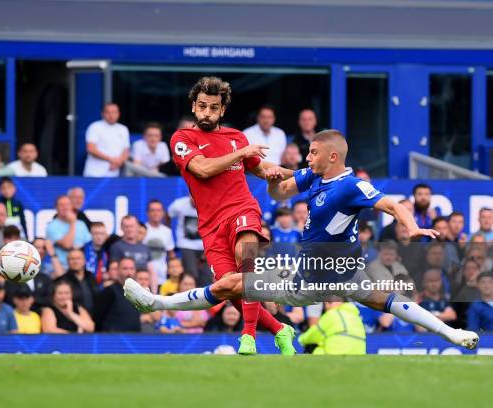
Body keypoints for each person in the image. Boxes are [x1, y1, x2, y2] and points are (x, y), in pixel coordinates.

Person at [125, 129, 480, 351]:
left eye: (312, 153)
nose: (306, 158)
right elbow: (280, 194)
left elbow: (391, 203)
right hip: (342, 267)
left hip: (310, 278)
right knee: (385, 299)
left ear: (333, 156)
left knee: (229, 284)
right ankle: (451, 333)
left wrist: (411, 225)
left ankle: (154, 303)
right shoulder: (315, 177)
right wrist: (272, 177)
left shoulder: (350, 185)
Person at [165, 76, 294, 355]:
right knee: (230, 287)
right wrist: (242, 154)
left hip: (242, 208)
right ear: (193, 106)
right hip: (210, 226)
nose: (207, 113)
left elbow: (261, 168)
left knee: (245, 257)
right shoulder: (182, 138)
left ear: (222, 110)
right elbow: (202, 169)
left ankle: (247, 337)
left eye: (214, 108)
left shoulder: (237, 138)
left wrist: (301, 175)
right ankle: (280, 329)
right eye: (202, 106)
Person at [167, 195, 210, 286]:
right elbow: (168, 214)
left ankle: (205, 299)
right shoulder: (179, 204)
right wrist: (168, 232)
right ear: (189, 195)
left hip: (205, 246)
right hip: (186, 245)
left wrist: (208, 249)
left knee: (206, 276)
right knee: (191, 275)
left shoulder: (209, 204)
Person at [298, 300, 366, 355]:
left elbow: (312, 335)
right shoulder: (356, 317)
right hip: (358, 355)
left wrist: (301, 339)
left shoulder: (331, 315)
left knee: (311, 346)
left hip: (334, 357)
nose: (326, 306)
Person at [94, 257, 140, 332]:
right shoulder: (108, 292)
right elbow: (97, 319)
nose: (129, 272)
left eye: (132, 268)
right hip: (113, 340)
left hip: (134, 339)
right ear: (117, 271)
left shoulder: (138, 292)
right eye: (125, 269)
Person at [83, 102, 130, 177]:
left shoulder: (123, 129)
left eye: (114, 112)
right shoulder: (95, 127)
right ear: (103, 114)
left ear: (118, 113)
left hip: (115, 174)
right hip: (94, 173)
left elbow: (126, 151)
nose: (111, 115)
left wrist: (118, 163)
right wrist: (112, 160)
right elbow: (91, 149)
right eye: (108, 112)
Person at [46, 195, 91, 269]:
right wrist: (72, 222)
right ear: (56, 208)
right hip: (62, 267)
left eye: (68, 204)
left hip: (82, 267)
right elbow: (67, 245)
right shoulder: (52, 226)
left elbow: (89, 244)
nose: (65, 207)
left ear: (72, 207)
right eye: (61, 205)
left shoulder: (81, 224)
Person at [54, 249, 98, 316]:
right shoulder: (62, 281)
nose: (75, 261)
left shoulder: (91, 277)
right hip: (72, 319)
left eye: (78, 258)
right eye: (72, 259)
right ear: (68, 262)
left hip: (95, 318)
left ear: (84, 261)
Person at [143, 200, 175, 286]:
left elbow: (171, 255)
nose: (155, 213)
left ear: (163, 213)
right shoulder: (142, 229)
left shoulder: (167, 231)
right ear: (147, 213)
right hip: (144, 279)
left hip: (162, 278)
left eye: (158, 210)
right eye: (152, 210)